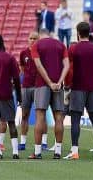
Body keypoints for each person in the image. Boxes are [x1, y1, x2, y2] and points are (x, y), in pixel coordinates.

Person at [64, 21, 93, 160]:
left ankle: (74, 151)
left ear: (78, 33)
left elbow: (70, 70)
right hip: (92, 89)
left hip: (77, 88)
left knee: (75, 120)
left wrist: (67, 85)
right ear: (89, 33)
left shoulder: (73, 49)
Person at [29, 28, 70, 159]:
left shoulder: (36, 45)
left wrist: (49, 82)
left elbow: (39, 66)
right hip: (58, 85)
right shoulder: (61, 45)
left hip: (42, 84)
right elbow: (67, 65)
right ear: (50, 34)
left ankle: (37, 152)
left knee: (40, 116)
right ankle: (57, 151)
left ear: (40, 35)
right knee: (59, 116)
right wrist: (59, 81)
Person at [18, 32, 48, 151]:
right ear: (28, 39)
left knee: (41, 115)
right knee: (24, 115)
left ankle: (44, 142)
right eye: (30, 38)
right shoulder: (23, 53)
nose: (32, 40)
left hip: (39, 87)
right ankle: (23, 142)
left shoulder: (43, 53)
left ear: (39, 40)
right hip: (26, 87)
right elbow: (22, 68)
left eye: (35, 38)